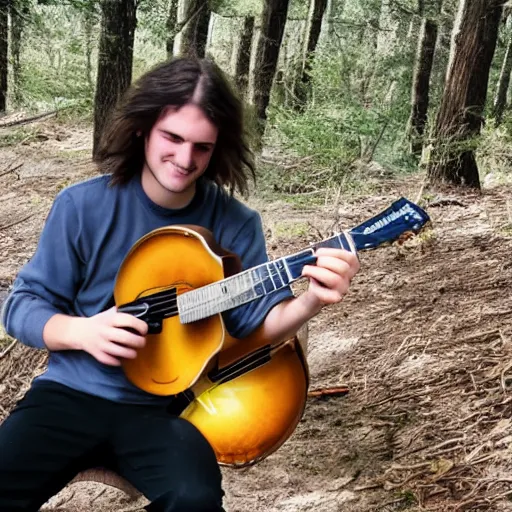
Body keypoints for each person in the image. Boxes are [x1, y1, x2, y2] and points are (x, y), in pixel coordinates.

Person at [0, 57, 360, 512]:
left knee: (195, 500)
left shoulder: (236, 224)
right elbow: (21, 306)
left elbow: (254, 327)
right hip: (69, 395)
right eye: (172, 138)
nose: (185, 159)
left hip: (166, 408)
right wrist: (81, 331)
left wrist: (312, 301)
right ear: (142, 129)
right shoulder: (81, 206)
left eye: (202, 147)